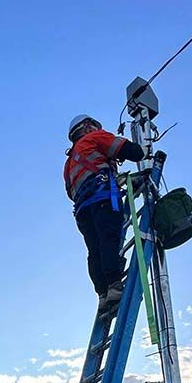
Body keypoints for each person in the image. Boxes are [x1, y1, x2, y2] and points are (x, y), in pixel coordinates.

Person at [63, 114, 145, 308]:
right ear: (87, 127)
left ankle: (102, 294)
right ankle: (114, 285)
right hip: (102, 199)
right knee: (109, 238)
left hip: (83, 210)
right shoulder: (94, 138)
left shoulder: (68, 164)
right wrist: (143, 149)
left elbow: (70, 191)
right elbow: (132, 151)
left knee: (95, 250)